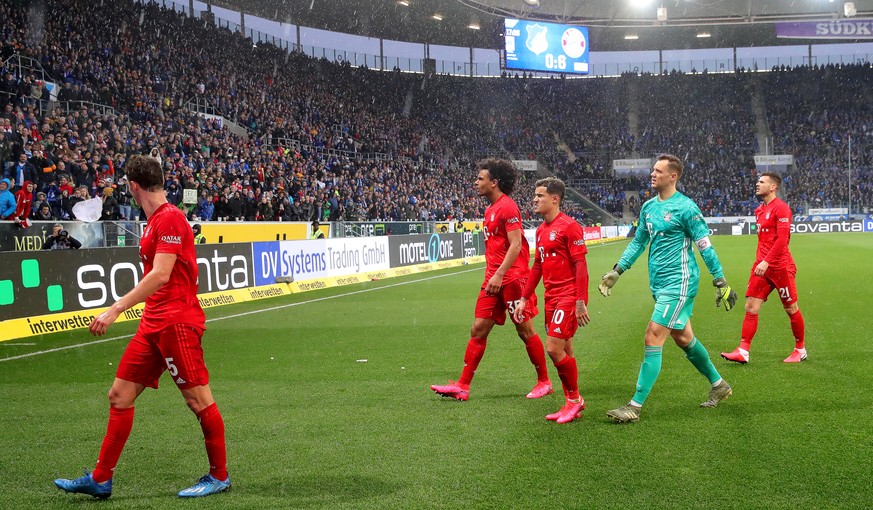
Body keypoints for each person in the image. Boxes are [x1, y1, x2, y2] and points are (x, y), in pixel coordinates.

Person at [54, 155, 230, 499]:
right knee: (119, 396)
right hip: (154, 322)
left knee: (198, 401)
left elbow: (162, 274)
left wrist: (115, 309)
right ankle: (101, 478)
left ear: (133, 187)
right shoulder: (156, 221)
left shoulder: (170, 220)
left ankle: (219, 475)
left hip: (177, 321)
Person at [598, 154, 737, 424]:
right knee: (683, 338)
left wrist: (719, 279)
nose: (652, 174)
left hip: (680, 283)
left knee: (653, 335)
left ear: (673, 176)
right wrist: (618, 270)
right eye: (653, 170)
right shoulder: (649, 207)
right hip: (659, 284)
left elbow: (704, 245)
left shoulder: (686, 207)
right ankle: (719, 385)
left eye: (659, 171)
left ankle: (634, 406)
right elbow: (638, 242)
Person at [430, 158, 551, 401]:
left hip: (512, 279)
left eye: (480, 179)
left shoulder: (507, 207)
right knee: (478, 328)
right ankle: (463, 386)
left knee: (524, 330)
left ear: (494, 183)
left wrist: (499, 274)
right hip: (493, 280)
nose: (476, 183)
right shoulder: (490, 209)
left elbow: (516, 245)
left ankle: (544, 381)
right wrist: (493, 275)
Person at [513, 177, 590, 424]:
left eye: (540, 195)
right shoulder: (541, 229)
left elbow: (581, 265)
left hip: (567, 296)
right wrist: (524, 297)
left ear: (554, 199)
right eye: (535, 195)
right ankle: (573, 400)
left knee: (553, 348)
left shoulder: (569, 227)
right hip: (550, 297)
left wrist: (580, 300)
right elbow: (537, 266)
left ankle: (574, 400)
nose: (534, 199)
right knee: (565, 347)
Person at [721, 172, 806, 364]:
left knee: (791, 308)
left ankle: (800, 350)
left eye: (762, 182)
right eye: (758, 181)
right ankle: (743, 351)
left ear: (773, 187)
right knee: (751, 306)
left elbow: (783, 240)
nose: (757, 184)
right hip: (761, 266)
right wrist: (762, 261)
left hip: (780, 267)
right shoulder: (759, 210)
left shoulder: (782, 209)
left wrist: (767, 261)